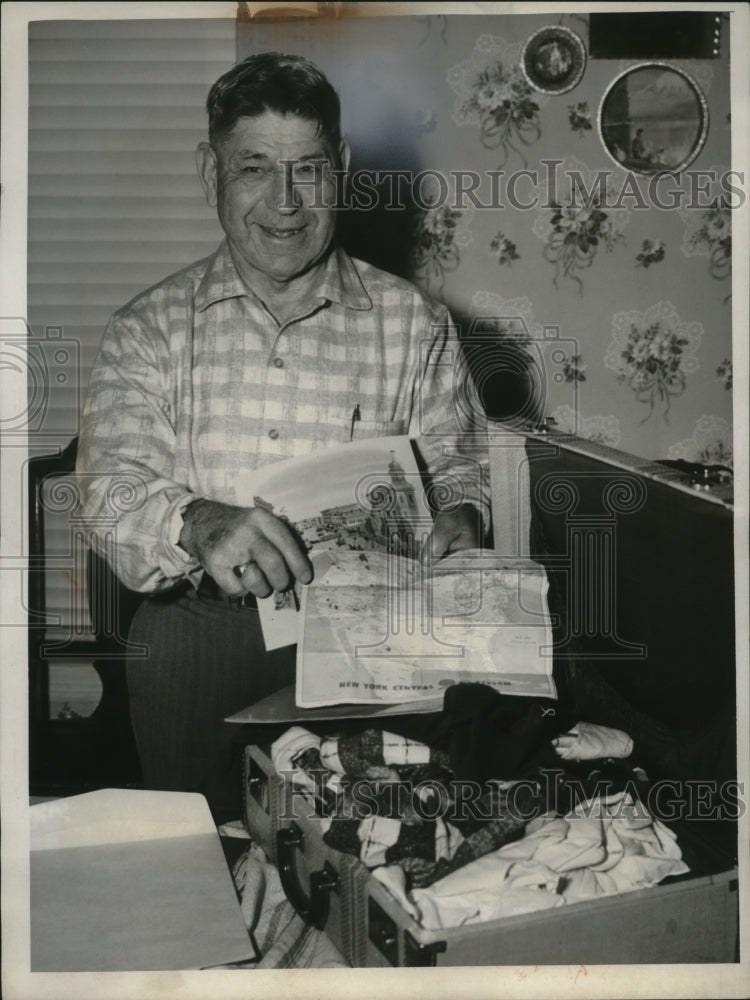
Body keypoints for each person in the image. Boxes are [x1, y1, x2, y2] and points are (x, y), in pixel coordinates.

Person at [76, 52, 491, 823]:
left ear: (342, 169)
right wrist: (199, 522)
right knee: (201, 857)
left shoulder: (416, 323)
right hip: (199, 639)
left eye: (308, 169)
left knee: (371, 851)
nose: (286, 202)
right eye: (255, 168)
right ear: (212, 174)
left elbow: (461, 469)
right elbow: (108, 491)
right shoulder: (146, 329)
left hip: (375, 638)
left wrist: (463, 517)